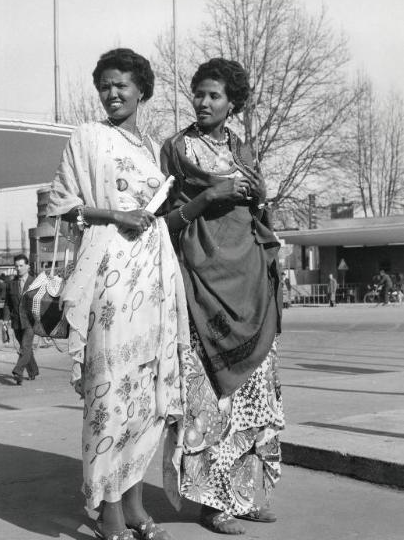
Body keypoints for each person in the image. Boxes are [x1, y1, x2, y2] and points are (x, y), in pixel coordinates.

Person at [47, 48, 189, 540]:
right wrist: (114, 215)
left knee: (146, 395)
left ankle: (134, 502)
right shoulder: (88, 138)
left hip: (152, 278)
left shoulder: (151, 146)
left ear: (141, 90)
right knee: (111, 392)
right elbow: (63, 205)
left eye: (121, 85)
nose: (112, 93)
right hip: (111, 277)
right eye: (105, 85)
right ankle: (107, 511)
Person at [160, 58, 284, 535]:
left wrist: (258, 195)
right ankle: (212, 505)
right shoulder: (176, 149)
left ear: (233, 102)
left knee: (254, 397)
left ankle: (244, 496)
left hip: (251, 281)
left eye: (214, 95)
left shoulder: (243, 148)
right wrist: (209, 197)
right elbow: (165, 219)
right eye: (199, 93)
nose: (204, 102)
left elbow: (259, 211)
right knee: (211, 400)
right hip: (203, 284)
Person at [3, 254, 39, 385]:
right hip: (17, 321)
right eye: (16, 266)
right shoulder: (11, 284)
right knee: (27, 348)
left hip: (31, 321)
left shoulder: (36, 282)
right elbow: (7, 303)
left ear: (28, 266)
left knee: (25, 347)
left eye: (21, 266)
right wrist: (5, 320)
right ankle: (33, 370)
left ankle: (18, 371)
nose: (18, 268)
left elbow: (41, 302)